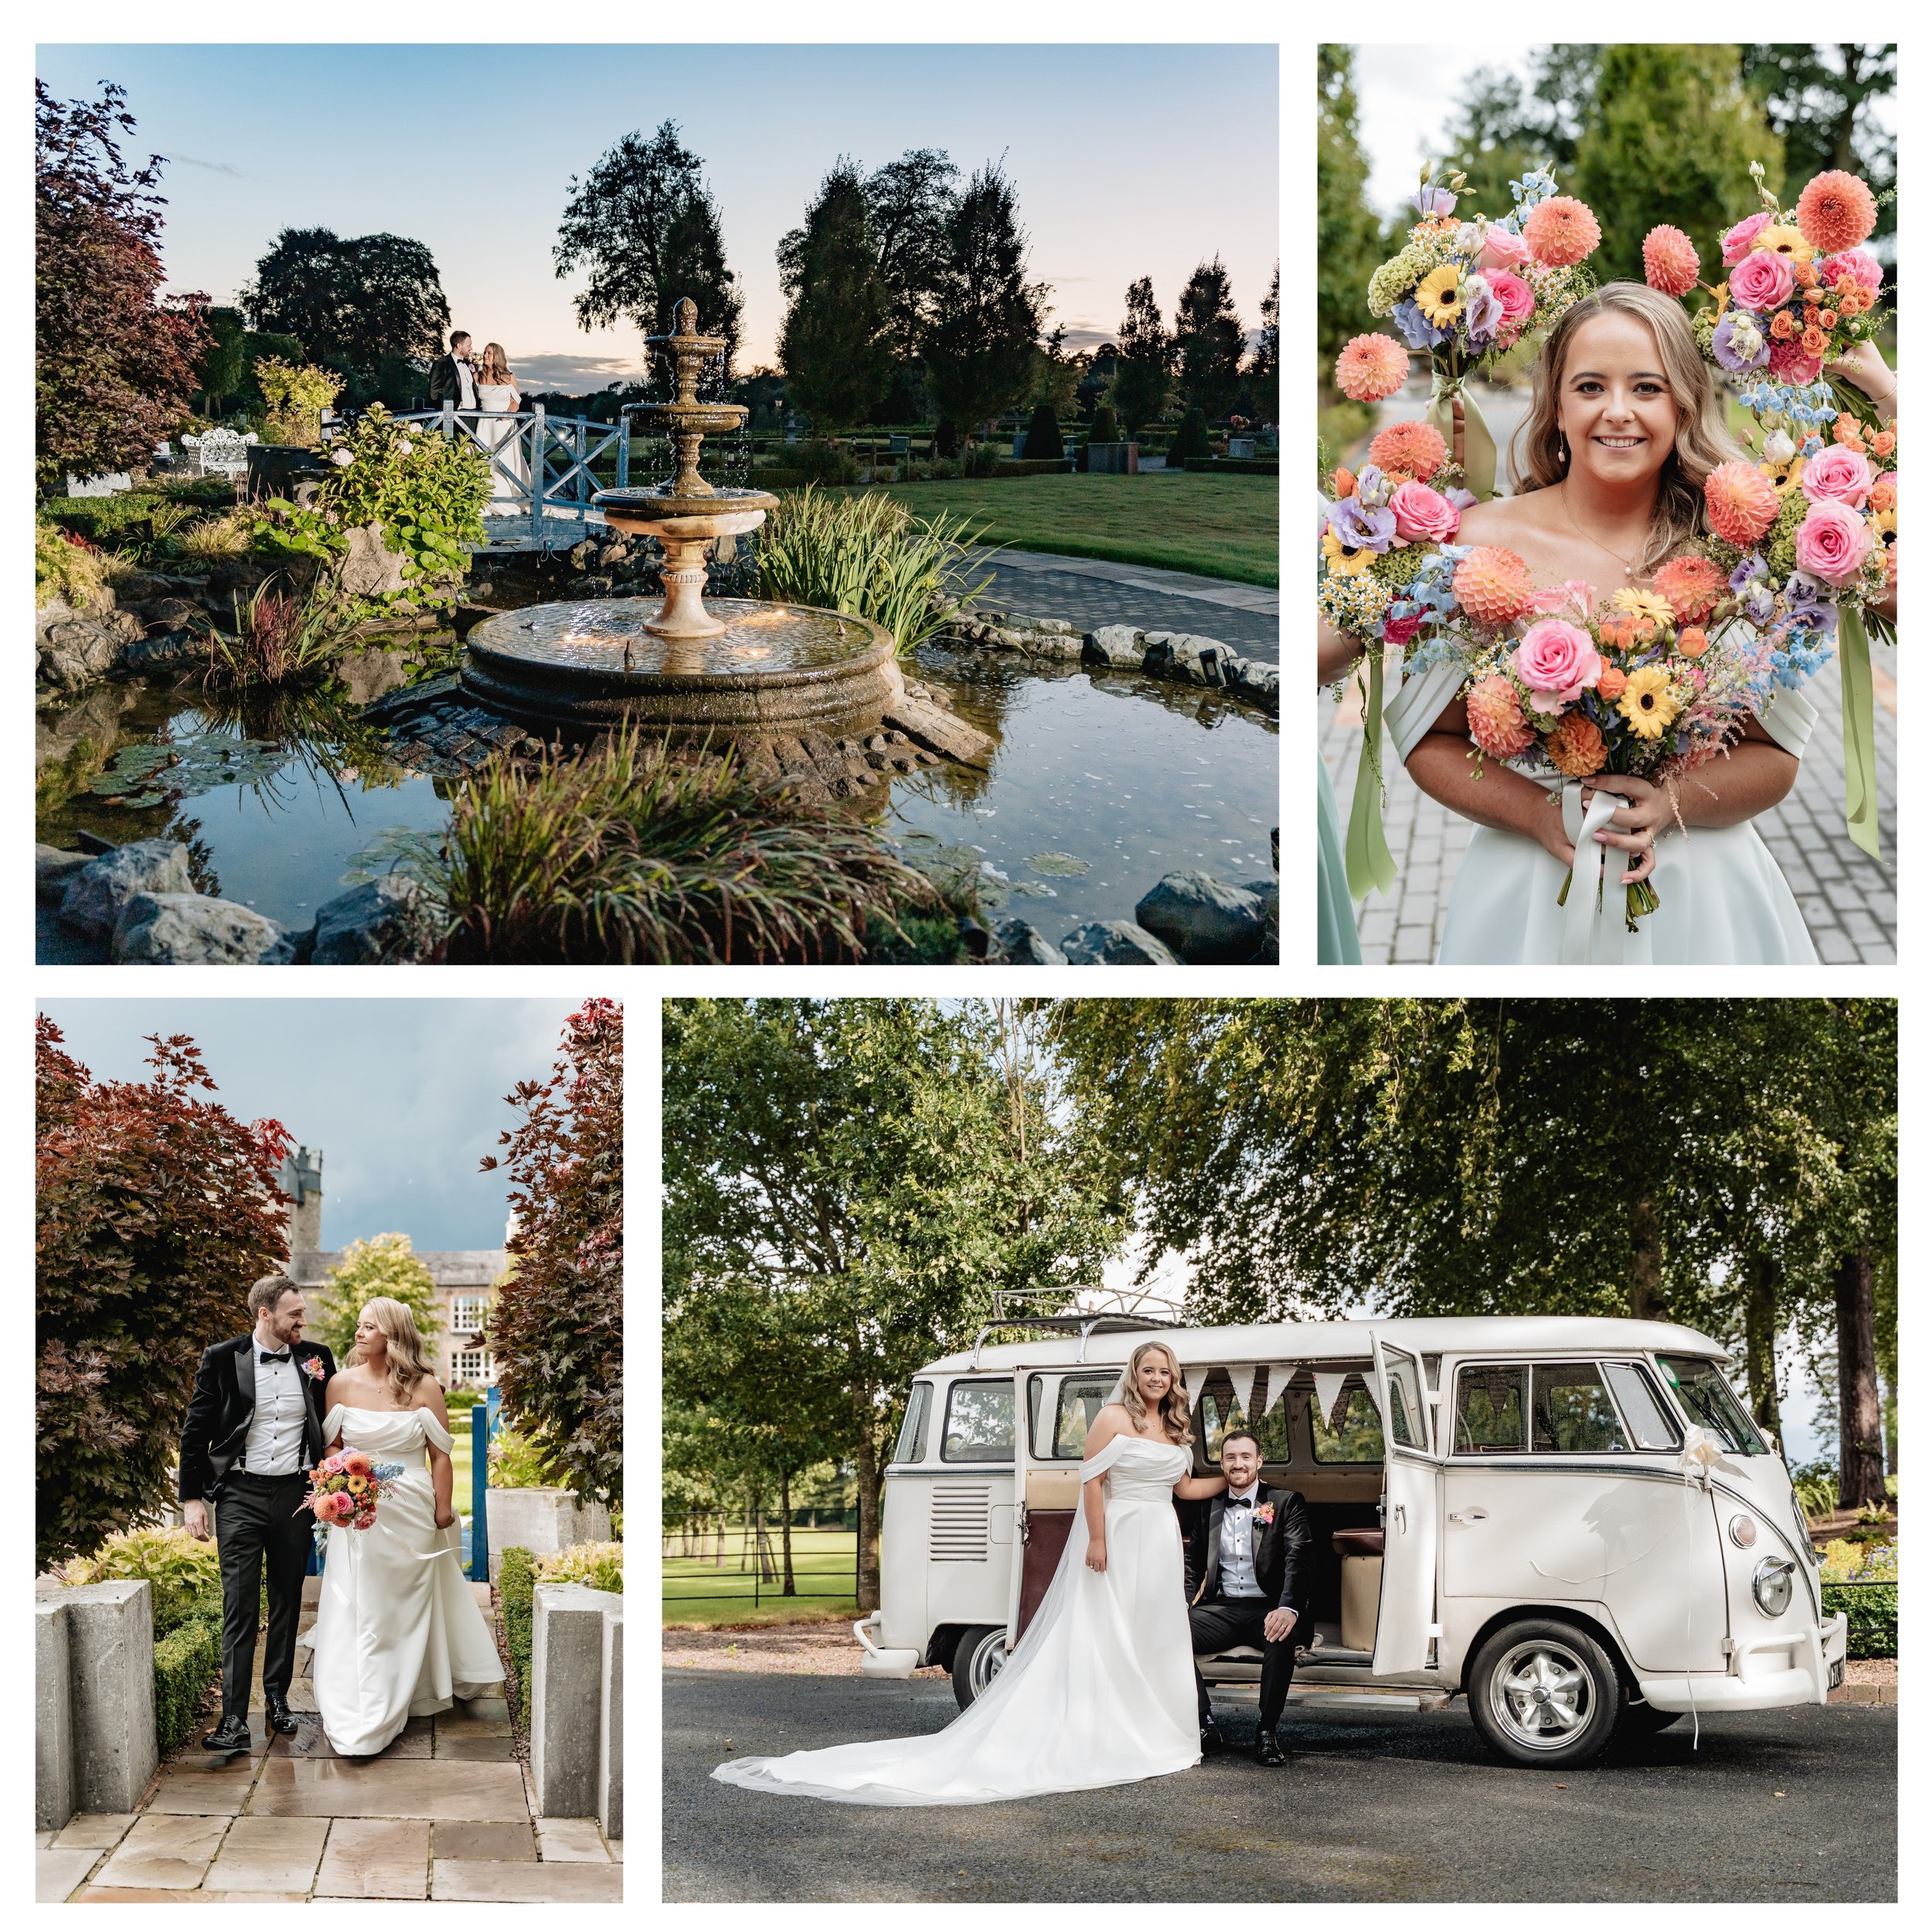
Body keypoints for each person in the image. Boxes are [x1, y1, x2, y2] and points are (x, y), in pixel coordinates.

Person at [1322, 281, 1896, 964]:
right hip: (1528, 890)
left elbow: (1775, 759)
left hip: (1701, 893)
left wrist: (1671, 801)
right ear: (1556, 405)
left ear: (1684, 403)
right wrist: (1539, 816)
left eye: (1647, 388)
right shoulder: (1476, 543)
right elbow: (1430, 745)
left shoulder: (1741, 554)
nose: (1617, 412)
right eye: (1590, 387)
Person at [712, 1339, 1228, 1804]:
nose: (1158, 1378)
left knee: (1154, 1636)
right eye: (1149, 1370)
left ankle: (1159, 1733)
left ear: (1174, 1378)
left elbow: (1184, 1491)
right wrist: (1096, 1539)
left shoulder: (1176, 1427)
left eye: (1166, 1372)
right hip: (1118, 1531)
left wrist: (1230, 1479)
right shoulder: (1113, 1417)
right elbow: (1091, 1483)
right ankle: (1110, 1736)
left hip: (1159, 1540)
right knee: (1107, 1634)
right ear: (1135, 1374)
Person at [301, 1297, 504, 1757]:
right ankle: (364, 1700)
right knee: (361, 1600)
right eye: (359, 1325)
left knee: (406, 1602)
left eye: (369, 1327)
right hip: (357, 1509)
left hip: (412, 1508)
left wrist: (443, 1509)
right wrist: (347, 1477)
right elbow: (331, 1449)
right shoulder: (339, 1385)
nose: (359, 1334)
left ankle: (407, 1690)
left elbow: (441, 1455)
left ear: (391, 1334)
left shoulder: (426, 1387)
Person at [179, 1275, 338, 1753]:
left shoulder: (317, 1358)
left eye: (303, 1313)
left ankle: (278, 1701)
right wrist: (192, 1500)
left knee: (288, 1601)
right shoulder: (223, 1358)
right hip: (240, 1496)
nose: (302, 1321)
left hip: (295, 1495)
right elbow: (195, 1431)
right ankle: (233, 1720)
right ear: (265, 1314)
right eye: (294, 1313)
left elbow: (334, 1422)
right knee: (240, 1604)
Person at [1185, 1427, 1313, 1766]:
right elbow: (1193, 1563)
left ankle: (1267, 1731)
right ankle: (1205, 1723)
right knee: (1169, 1633)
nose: (1238, 1463)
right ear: (1222, 1465)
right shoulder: (1208, 1507)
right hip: (1222, 1608)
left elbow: (1298, 1559)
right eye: (1230, 1457)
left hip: (1268, 1605)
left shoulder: (1284, 1502)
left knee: (1281, 1636)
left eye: (1245, 1457)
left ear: (1259, 1461)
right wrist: (1181, 1604)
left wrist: (1287, 1607)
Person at [474, 342, 527, 508]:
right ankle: (484, 499)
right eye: (484, 353)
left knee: (503, 460)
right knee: (484, 458)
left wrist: (508, 415)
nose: (485, 356)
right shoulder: (478, 376)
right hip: (484, 425)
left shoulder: (508, 376)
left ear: (497, 356)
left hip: (503, 424)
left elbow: (515, 402)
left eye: (489, 353)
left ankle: (507, 497)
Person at [428, 331, 478, 413]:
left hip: (474, 413)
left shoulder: (468, 364)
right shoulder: (442, 363)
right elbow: (434, 392)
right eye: (469, 345)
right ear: (459, 346)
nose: (471, 348)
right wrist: (446, 413)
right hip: (455, 413)